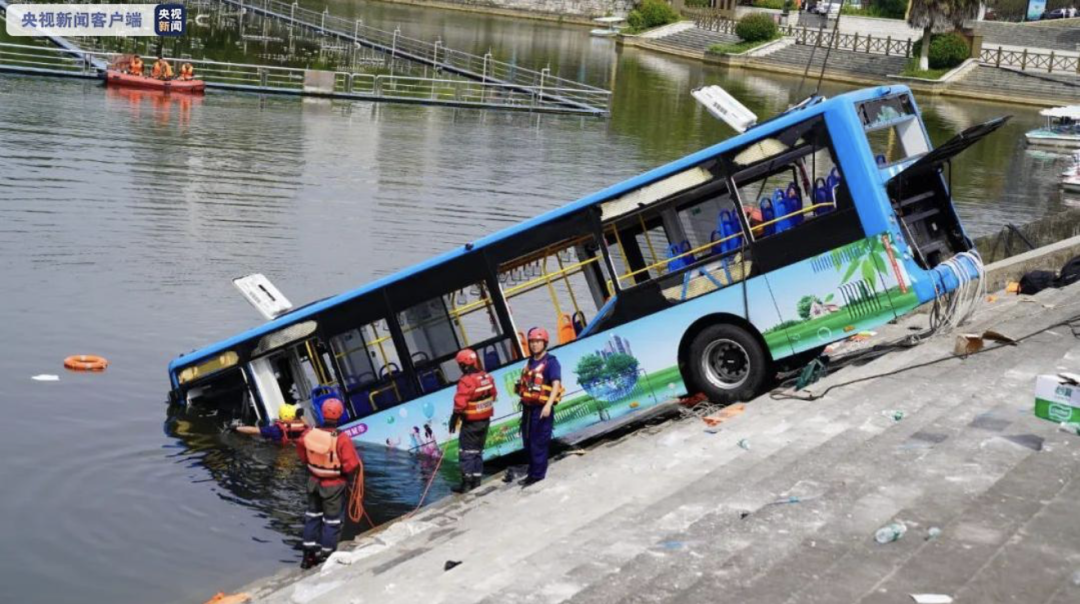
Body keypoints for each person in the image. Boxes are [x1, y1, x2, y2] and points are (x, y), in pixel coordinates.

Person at [295, 398, 360, 569]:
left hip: (314, 482)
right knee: (332, 522)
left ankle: (308, 556)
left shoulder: (309, 433)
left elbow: (302, 453)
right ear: (340, 414)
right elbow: (351, 464)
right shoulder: (341, 438)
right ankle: (327, 555)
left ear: (321, 412)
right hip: (333, 485)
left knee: (313, 517)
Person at [514, 327, 562, 487]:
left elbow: (556, 384)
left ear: (545, 343)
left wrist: (548, 405)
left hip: (541, 408)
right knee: (527, 441)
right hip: (528, 409)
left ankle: (538, 475)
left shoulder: (551, 362)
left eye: (538, 342)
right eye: (532, 342)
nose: (534, 345)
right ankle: (532, 472)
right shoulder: (530, 362)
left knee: (538, 441)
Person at [448, 348, 497, 493]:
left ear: (463, 364)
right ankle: (477, 480)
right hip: (485, 420)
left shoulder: (466, 381)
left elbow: (460, 402)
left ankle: (467, 483)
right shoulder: (487, 377)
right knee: (477, 451)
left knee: (466, 452)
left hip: (471, 423)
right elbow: (493, 395)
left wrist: (455, 417)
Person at [233, 404, 307, 443]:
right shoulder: (303, 425)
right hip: (294, 445)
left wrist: (237, 428)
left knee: (262, 433)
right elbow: (308, 427)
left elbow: (253, 430)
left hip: (280, 445)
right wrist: (301, 416)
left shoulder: (275, 429)